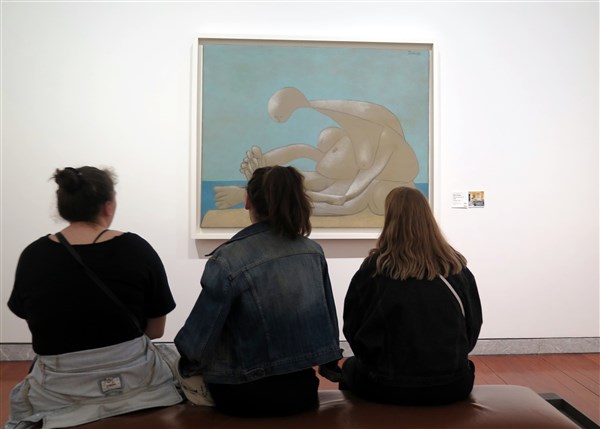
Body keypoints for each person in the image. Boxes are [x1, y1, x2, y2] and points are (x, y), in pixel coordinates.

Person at [4, 166, 182, 429]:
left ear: (63, 206)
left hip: (57, 390)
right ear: (108, 206)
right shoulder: (137, 249)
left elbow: (39, 329)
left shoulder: (33, 255)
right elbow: (156, 330)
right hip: (136, 383)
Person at [175, 165, 342, 417]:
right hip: (302, 391)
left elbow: (196, 343)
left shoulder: (228, 259)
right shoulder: (313, 252)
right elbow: (327, 326)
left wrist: (183, 362)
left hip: (242, 395)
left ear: (247, 201)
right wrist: (329, 367)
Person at [341, 186, 483, 406]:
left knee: (349, 368)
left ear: (390, 219)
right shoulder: (456, 268)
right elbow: (472, 328)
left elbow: (353, 329)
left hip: (386, 386)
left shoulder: (373, 270)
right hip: (451, 385)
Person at [213, 87, 420, 217]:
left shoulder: (385, 143)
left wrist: (340, 197)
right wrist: (265, 161)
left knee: (338, 195)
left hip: (365, 185)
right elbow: (302, 150)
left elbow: (347, 197)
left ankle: (253, 192)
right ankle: (257, 187)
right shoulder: (348, 139)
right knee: (306, 172)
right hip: (342, 178)